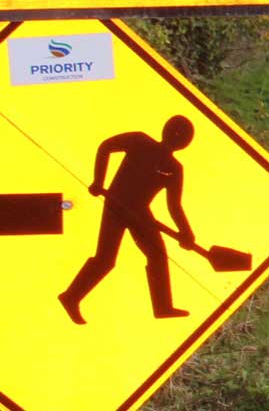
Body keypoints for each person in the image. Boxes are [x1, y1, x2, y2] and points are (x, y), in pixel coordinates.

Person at [57, 116, 197, 325]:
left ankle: (163, 307)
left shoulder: (174, 168)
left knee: (157, 255)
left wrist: (186, 232)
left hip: (140, 212)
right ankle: (71, 297)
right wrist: (99, 180)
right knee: (105, 259)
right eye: (176, 133)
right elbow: (106, 147)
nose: (176, 138)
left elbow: (174, 205)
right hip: (117, 204)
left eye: (181, 136)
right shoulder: (140, 141)